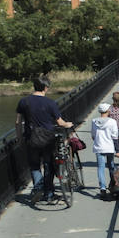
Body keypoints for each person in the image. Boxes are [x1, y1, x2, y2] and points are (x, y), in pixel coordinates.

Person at [16, 76, 73, 204]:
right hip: (48, 139)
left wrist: (19, 138)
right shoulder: (50, 103)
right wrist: (68, 124)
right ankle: (49, 194)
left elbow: (17, 122)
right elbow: (60, 122)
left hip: (31, 138)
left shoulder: (23, 102)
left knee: (35, 165)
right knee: (48, 165)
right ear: (46, 88)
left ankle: (38, 187)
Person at [91, 103, 119, 199]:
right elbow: (115, 137)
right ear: (108, 111)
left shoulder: (94, 121)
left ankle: (102, 188)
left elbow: (93, 135)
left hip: (99, 147)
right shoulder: (112, 122)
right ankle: (113, 184)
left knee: (101, 168)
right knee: (111, 166)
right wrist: (118, 151)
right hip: (109, 147)